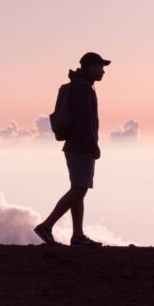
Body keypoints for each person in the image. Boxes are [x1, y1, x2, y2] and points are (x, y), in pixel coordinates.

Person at [34, 52, 110, 246]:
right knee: (79, 188)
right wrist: (93, 145)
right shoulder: (83, 88)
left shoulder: (81, 86)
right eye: (101, 66)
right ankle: (47, 226)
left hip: (75, 145)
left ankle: (77, 236)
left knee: (79, 189)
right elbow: (84, 121)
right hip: (81, 145)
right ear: (90, 66)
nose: (103, 71)